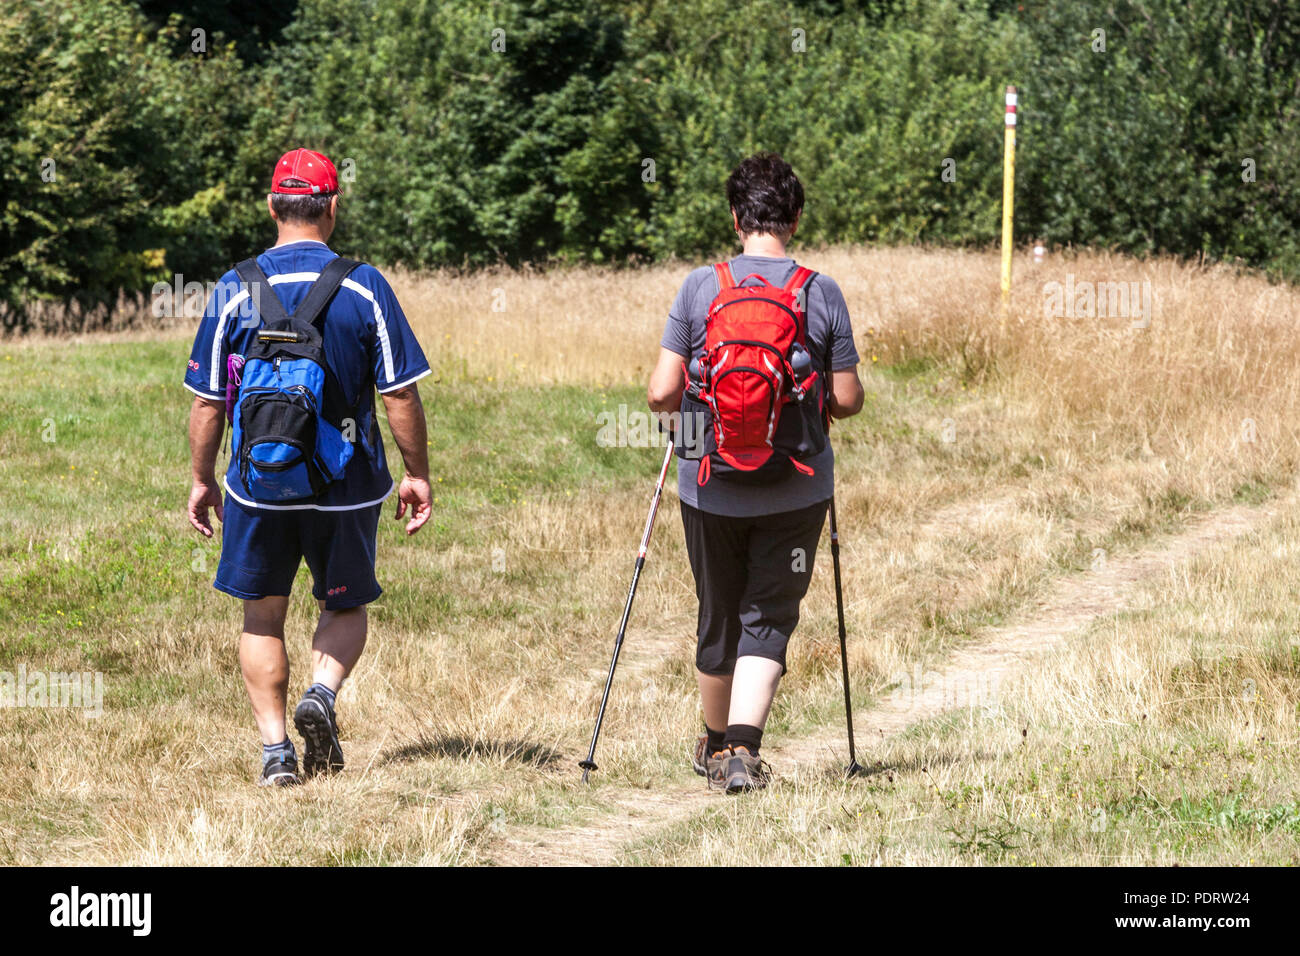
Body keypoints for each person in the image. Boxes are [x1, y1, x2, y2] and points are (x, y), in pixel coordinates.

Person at [184, 148, 433, 787]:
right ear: (332, 207)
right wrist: (416, 472)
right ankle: (321, 693)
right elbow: (399, 393)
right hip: (346, 484)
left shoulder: (233, 286)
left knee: (262, 614)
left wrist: (203, 479)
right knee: (343, 605)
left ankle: (274, 754)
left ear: (272, 206)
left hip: (258, 486)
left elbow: (209, 400)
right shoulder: (363, 285)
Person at [647, 152, 865, 793]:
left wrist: (688, 418)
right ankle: (742, 749)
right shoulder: (818, 291)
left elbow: (662, 393)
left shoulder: (700, 286)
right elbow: (848, 399)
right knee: (768, 612)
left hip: (709, 482)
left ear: (736, 216)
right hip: (797, 486)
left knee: (718, 611)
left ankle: (716, 744)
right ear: (794, 219)